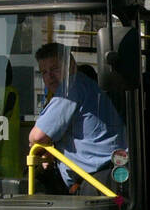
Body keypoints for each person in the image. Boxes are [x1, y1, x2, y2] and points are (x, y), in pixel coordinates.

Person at [29, 42, 126, 194]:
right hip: (110, 176)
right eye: (44, 72)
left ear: (71, 66)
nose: (50, 77)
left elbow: (37, 136)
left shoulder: (71, 87)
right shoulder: (86, 86)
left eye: (54, 69)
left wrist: (41, 147)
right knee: (120, 205)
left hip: (99, 183)